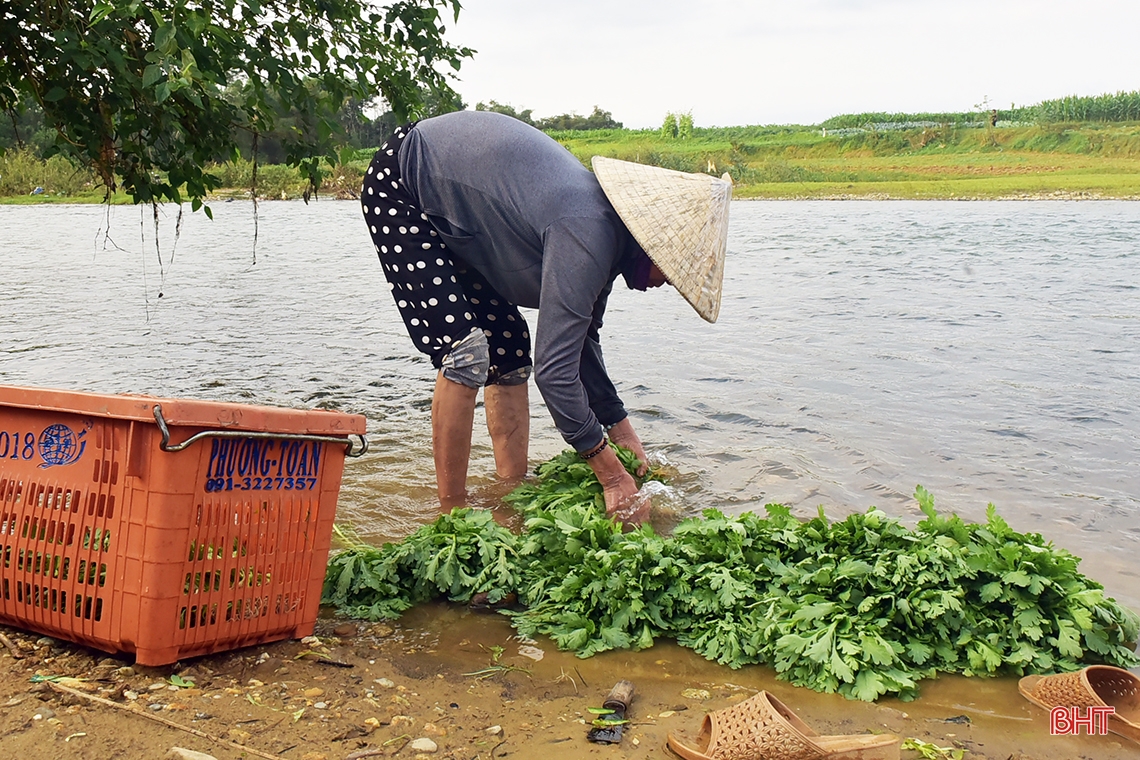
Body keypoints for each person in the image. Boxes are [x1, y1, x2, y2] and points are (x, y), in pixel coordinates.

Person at [361, 111, 731, 524]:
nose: (668, 284)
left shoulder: (608, 242)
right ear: (650, 245)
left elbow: (581, 345)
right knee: (465, 352)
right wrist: (611, 475)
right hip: (404, 181)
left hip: (465, 208)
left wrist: (623, 435)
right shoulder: (587, 231)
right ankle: (453, 519)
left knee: (510, 350)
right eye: (672, 271)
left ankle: (510, 499)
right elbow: (555, 374)